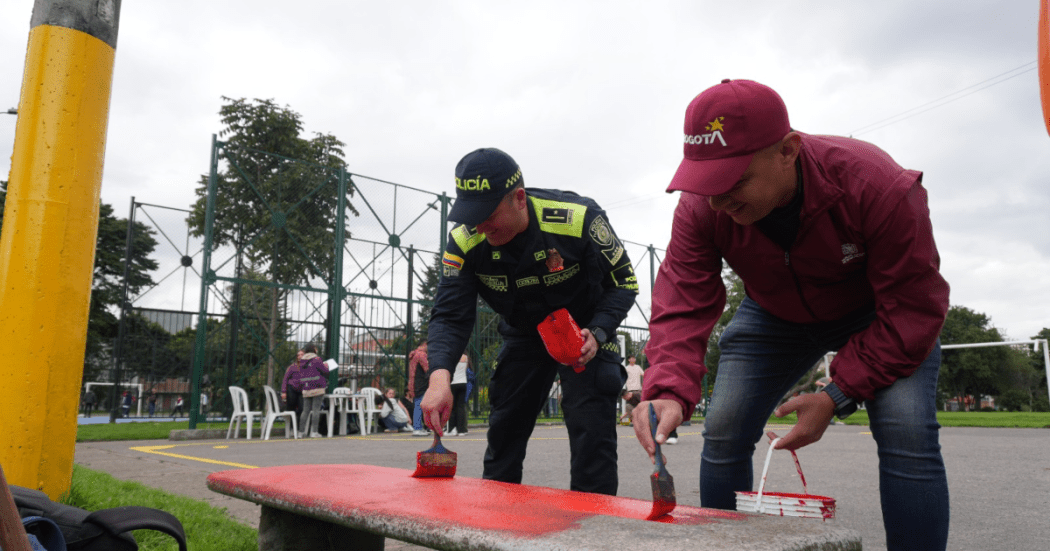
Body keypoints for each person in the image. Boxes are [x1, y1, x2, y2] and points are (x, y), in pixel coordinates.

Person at [634, 79, 951, 550]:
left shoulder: (877, 186)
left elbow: (913, 309)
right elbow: (681, 302)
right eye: (706, 183)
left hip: (878, 312)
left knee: (907, 430)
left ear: (788, 150)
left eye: (733, 181)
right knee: (723, 429)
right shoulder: (701, 208)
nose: (717, 200)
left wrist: (837, 394)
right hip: (774, 312)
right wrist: (667, 389)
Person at [421, 147, 638, 495]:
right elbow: (450, 314)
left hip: (586, 331)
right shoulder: (465, 240)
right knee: (504, 431)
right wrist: (439, 378)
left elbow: (625, 283)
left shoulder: (579, 218)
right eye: (470, 214)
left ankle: (594, 532)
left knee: (591, 434)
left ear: (519, 198)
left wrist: (598, 332)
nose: (479, 225)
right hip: (524, 331)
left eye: (487, 213)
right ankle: (494, 529)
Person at [295, 343, 330, 438]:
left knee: (305, 411)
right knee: (316, 410)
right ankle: (314, 432)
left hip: (306, 388)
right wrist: (326, 366)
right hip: (317, 388)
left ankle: (300, 432)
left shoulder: (302, 361)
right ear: (314, 350)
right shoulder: (317, 359)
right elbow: (325, 372)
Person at [406, 342, 430, 436]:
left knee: (418, 405)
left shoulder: (414, 354)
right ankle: (417, 428)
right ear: (424, 344)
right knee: (419, 406)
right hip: (420, 383)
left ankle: (418, 427)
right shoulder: (421, 354)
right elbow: (427, 368)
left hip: (414, 383)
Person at [447, 354, 470, 436]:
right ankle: (461, 430)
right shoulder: (465, 357)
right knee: (460, 407)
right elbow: (466, 368)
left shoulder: (452, 356)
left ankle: (452, 428)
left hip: (453, 383)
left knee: (452, 407)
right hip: (463, 382)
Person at [281, 349, 305, 420]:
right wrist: (284, 392)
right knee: (291, 409)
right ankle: (291, 427)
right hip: (292, 389)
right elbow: (285, 379)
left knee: (302, 408)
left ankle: (299, 427)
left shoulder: (309, 367)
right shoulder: (292, 367)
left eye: (302, 354)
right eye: (298, 355)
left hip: (302, 391)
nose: (300, 356)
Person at [620, 356, 644, 425]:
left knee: (640, 404)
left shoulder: (638, 367)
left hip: (638, 389)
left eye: (634, 358)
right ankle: (633, 421)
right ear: (629, 360)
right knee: (629, 406)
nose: (633, 359)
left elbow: (643, 374)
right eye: (632, 358)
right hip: (630, 389)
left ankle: (642, 419)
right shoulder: (626, 368)